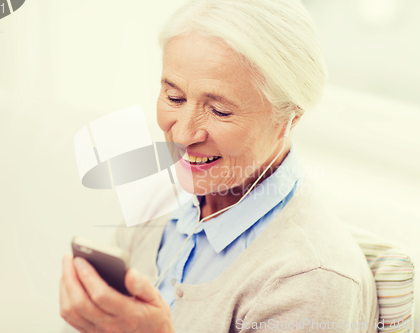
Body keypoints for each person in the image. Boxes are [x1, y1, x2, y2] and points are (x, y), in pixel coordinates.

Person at [59, 0, 379, 332]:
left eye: (219, 111)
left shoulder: (313, 281)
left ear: (288, 118)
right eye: (174, 98)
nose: (182, 134)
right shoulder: (159, 202)